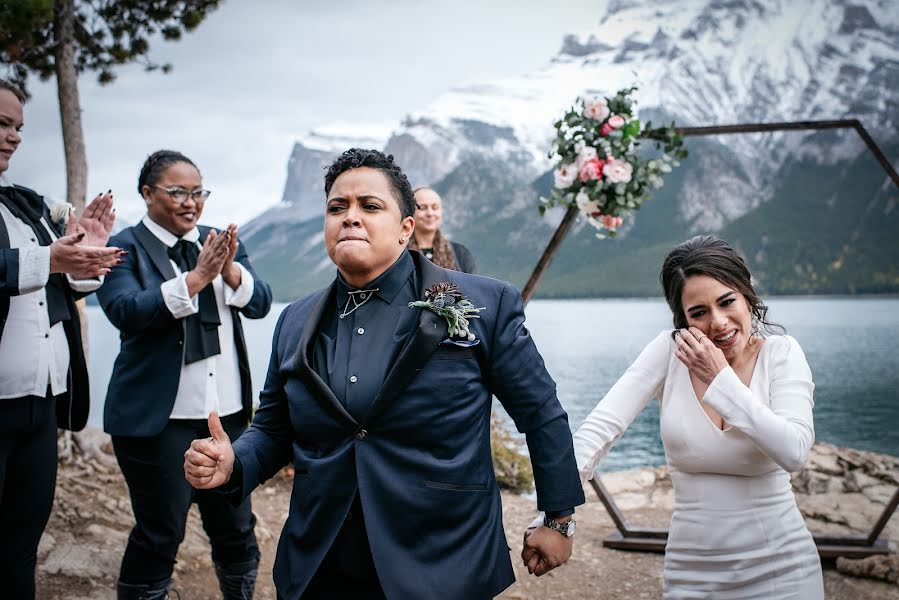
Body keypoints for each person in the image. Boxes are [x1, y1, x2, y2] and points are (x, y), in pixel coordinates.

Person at [184, 148, 585, 599]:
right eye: (338, 208)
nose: (350, 217)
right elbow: (275, 429)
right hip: (321, 559)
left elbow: (541, 414)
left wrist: (558, 517)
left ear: (405, 229)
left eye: (369, 206)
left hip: (441, 556)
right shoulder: (294, 321)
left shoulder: (485, 305)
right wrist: (235, 461)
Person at [552, 235, 824, 598]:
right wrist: (555, 517)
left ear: (747, 295)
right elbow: (600, 430)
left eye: (727, 302)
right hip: (691, 575)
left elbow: (794, 451)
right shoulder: (669, 352)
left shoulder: (781, 354)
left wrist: (719, 379)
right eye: (699, 312)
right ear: (683, 318)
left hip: (783, 574)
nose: (719, 322)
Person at [97, 150, 273, 600]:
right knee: (160, 533)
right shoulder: (125, 246)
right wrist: (195, 280)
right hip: (156, 422)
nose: (190, 201)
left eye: (198, 192)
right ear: (148, 193)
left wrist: (229, 270)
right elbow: (125, 311)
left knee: (236, 527)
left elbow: (260, 304)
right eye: (177, 192)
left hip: (227, 415)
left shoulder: (219, 241)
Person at [0, 78, 121, 599]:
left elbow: (64, 281)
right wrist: (53, 257)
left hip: (40, 408)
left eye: (19, 127)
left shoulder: (24, 205)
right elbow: (29, 265)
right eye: (3, 124)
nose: (15, 137)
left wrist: (87, 251)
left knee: (21, 544)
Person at [408, 186, 476, 273]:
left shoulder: (460, 253)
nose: (430, 213)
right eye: (422, 208)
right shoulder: (399, 252)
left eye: (435, 207)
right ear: (409, 211)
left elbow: (470, 285)